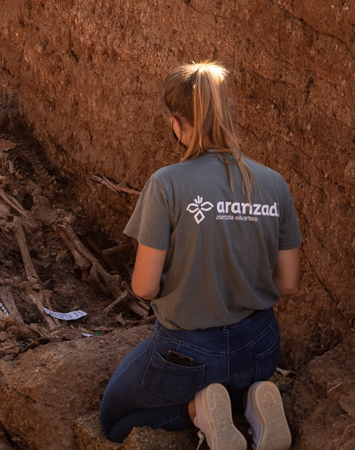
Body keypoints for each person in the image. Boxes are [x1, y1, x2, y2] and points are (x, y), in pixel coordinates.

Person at [98, 61, 302, 450]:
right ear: (228, 111)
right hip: (260, 347)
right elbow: (289, 283)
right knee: (239, 372)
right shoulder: (274, 183)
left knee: (114, 417)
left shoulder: (166, 184)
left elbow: (143, 286)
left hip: (186, 353)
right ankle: (250, 401)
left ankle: (197, 409)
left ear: (176, 121)